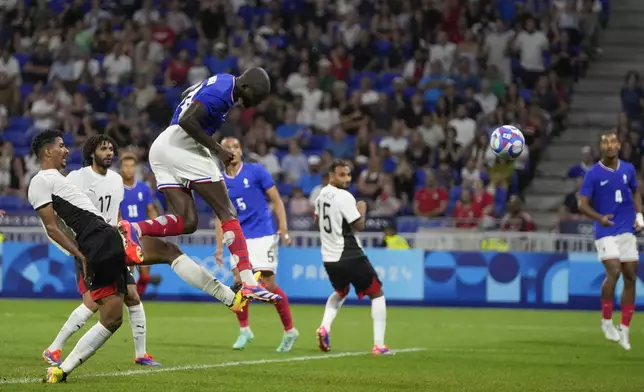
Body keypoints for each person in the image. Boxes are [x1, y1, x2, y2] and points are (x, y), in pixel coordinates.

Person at [41, 135, 249, 378]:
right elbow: (59, 216)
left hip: (115, 239)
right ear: (91, 152)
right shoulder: (76, 177)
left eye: (111, 149)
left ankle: (138, 353)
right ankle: (56, 351)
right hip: (93, 248)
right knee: (100, 310)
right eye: (103, 149)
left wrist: (123, 230)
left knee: (141, 285)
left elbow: (115, 212)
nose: (109, 153)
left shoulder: (116, 180)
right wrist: (75, 249)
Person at [120, 69, 281, 304]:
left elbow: (188, 94)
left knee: (187, 222)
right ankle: (248, 281)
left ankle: (134, 229)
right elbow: (187, 120)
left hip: (163, 145)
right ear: (247, 87)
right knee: (227, 211)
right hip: (183, 145)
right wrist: (217, 149)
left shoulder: (222, 81)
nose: (256, 103)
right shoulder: (222, 92)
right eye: (257, 96)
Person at [28, 130, 144, 383]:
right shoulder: (40, 181)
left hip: (105, 236)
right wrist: (81, 255)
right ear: (47, 152)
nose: (66, 150)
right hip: (96, 241)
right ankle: (60, 365)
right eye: (60, 146)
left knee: (114, 318)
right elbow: (52, 228)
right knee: (111, 318)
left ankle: (61, 368)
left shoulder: (61, 180)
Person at [215, 137, 299, 352]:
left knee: (268, 287)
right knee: (239, 285)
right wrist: (219, 246)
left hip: (262, 234)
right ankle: (245, 330)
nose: (233, 151)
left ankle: (290, 331)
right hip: (237, 236)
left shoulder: (256, 172)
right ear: (221, 153)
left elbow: (277, 200)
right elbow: (220, 215)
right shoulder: (218, 182)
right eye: (228, 148)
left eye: (236, 147)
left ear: (241, 151)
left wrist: (284, 227)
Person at [313, 160, 391, 355]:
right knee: (377, 293)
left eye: (348, 175)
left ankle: (324, 327)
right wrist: (362, 209)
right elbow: (359, 226)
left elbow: (317, 222)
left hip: (329, 257)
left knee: (340, 292)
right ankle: (379, 345)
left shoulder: (320, 195)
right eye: (341, 175)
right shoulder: (344, 196)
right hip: (349, 253)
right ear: (331, 176)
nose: (347, 179)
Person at [578, 130, 644, 351]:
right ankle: (606, 321)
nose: (610, 145)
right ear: (602, 147)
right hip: (605, 230)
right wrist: (599, 218)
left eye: (613, 141)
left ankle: (624, 329)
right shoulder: (594, 174)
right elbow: (582, 204)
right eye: (606, 142)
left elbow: (635, 192)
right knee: (614, 271)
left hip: (627, 229)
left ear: (618, 146)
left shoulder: (628, 169)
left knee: (631, 277)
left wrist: (639, 215)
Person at [118, 153, 159, 295]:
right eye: (126, 166)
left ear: (135, 168)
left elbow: (151, 209)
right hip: (125, 236)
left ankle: (136, 299)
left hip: (142, 235)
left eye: (131, 166)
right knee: (128, 275)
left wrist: (154, 228)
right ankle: (131, 302)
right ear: (121, 168)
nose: (129, 169)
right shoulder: (116, 188)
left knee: (145, 275)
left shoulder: (144, 188)